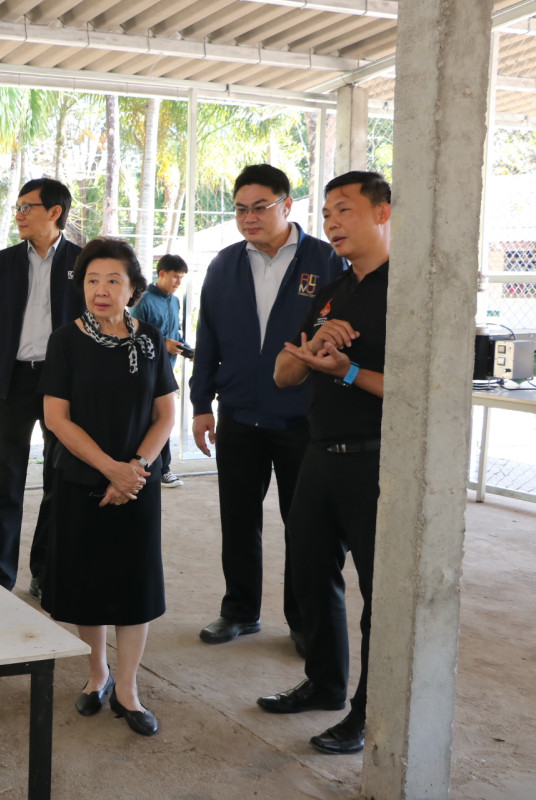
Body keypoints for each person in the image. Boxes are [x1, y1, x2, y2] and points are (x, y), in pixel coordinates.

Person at [257, 171, 391, 756]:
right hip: (319, 453)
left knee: (380, 595)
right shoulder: (331, 290)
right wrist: (313, 350)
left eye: (345, 210)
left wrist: (350, 370)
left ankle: (368, 712)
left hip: (375, 462)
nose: (332, 223)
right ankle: (325, 683)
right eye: (328, 213)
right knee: (311, 574)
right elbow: (284, 374)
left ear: (382, 212)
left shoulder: (408, 287)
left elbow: (423, 389)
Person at [190, 164, 346, 652]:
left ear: (287, 205)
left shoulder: (326, 260)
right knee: (238, 521)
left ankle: (303, 622)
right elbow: (208, 338)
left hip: (303, 419)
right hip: (238, 415)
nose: (249, 218)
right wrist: (201, 403)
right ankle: (239, 611)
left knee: (304, 527)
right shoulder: (224, 265)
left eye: (260, 207)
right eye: (240, 209)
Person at [39, 237, 177, 737]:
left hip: (139, 484)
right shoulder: (65, 340)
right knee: (89, 583)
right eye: (92, 280)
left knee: (135, 583)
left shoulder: (151, 337)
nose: (100, 290)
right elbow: (57, 418)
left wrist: (135, 468)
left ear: (133, 288)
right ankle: (97, 675)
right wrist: (110, 469)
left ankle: (128, 688)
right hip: (82, 479)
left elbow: (165, 414)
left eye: (112, 280)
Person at [0, 178, 85, 595]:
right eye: (18, 207)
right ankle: (0, 579)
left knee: (60, 479)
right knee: (7, 480)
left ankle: (45, 571)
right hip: (16, 382)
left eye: (27, 207)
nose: (19, 215)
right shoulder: (3, 263)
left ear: (54, 212)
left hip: (63, 385)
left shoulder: (82, 261)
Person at [134, 254, 190, 489]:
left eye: (182, 277)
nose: (178, 282)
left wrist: (185, 349)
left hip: (167, 369)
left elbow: (175, 334)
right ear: (162, 273)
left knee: (163, 418)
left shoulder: (175, 301)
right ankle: (162, 469)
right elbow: (132, 333)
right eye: (175, 276)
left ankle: (158, 469)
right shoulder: (143, 300)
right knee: (158, 419)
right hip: (145, 370)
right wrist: (162, 343)